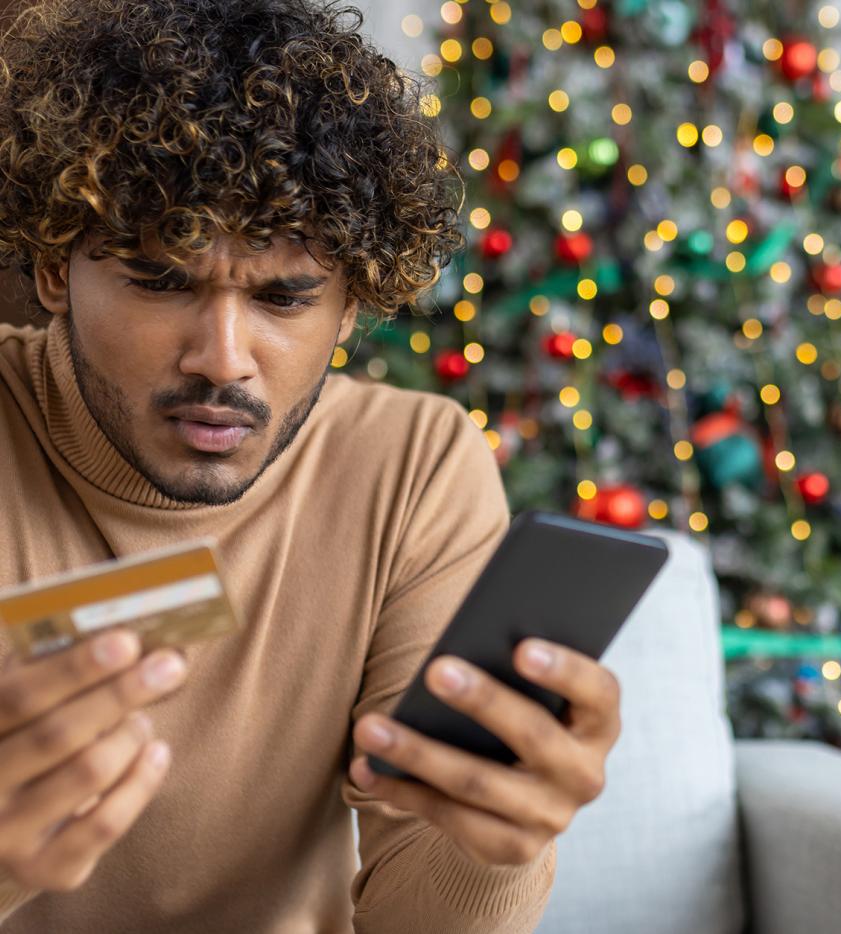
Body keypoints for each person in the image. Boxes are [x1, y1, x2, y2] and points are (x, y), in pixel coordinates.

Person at [0, 1, 623, 930]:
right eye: (160, 279)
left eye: (285, 297)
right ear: (57, 269)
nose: (222, 358)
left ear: (351, 306)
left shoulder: (412, 466)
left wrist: (495, 840)